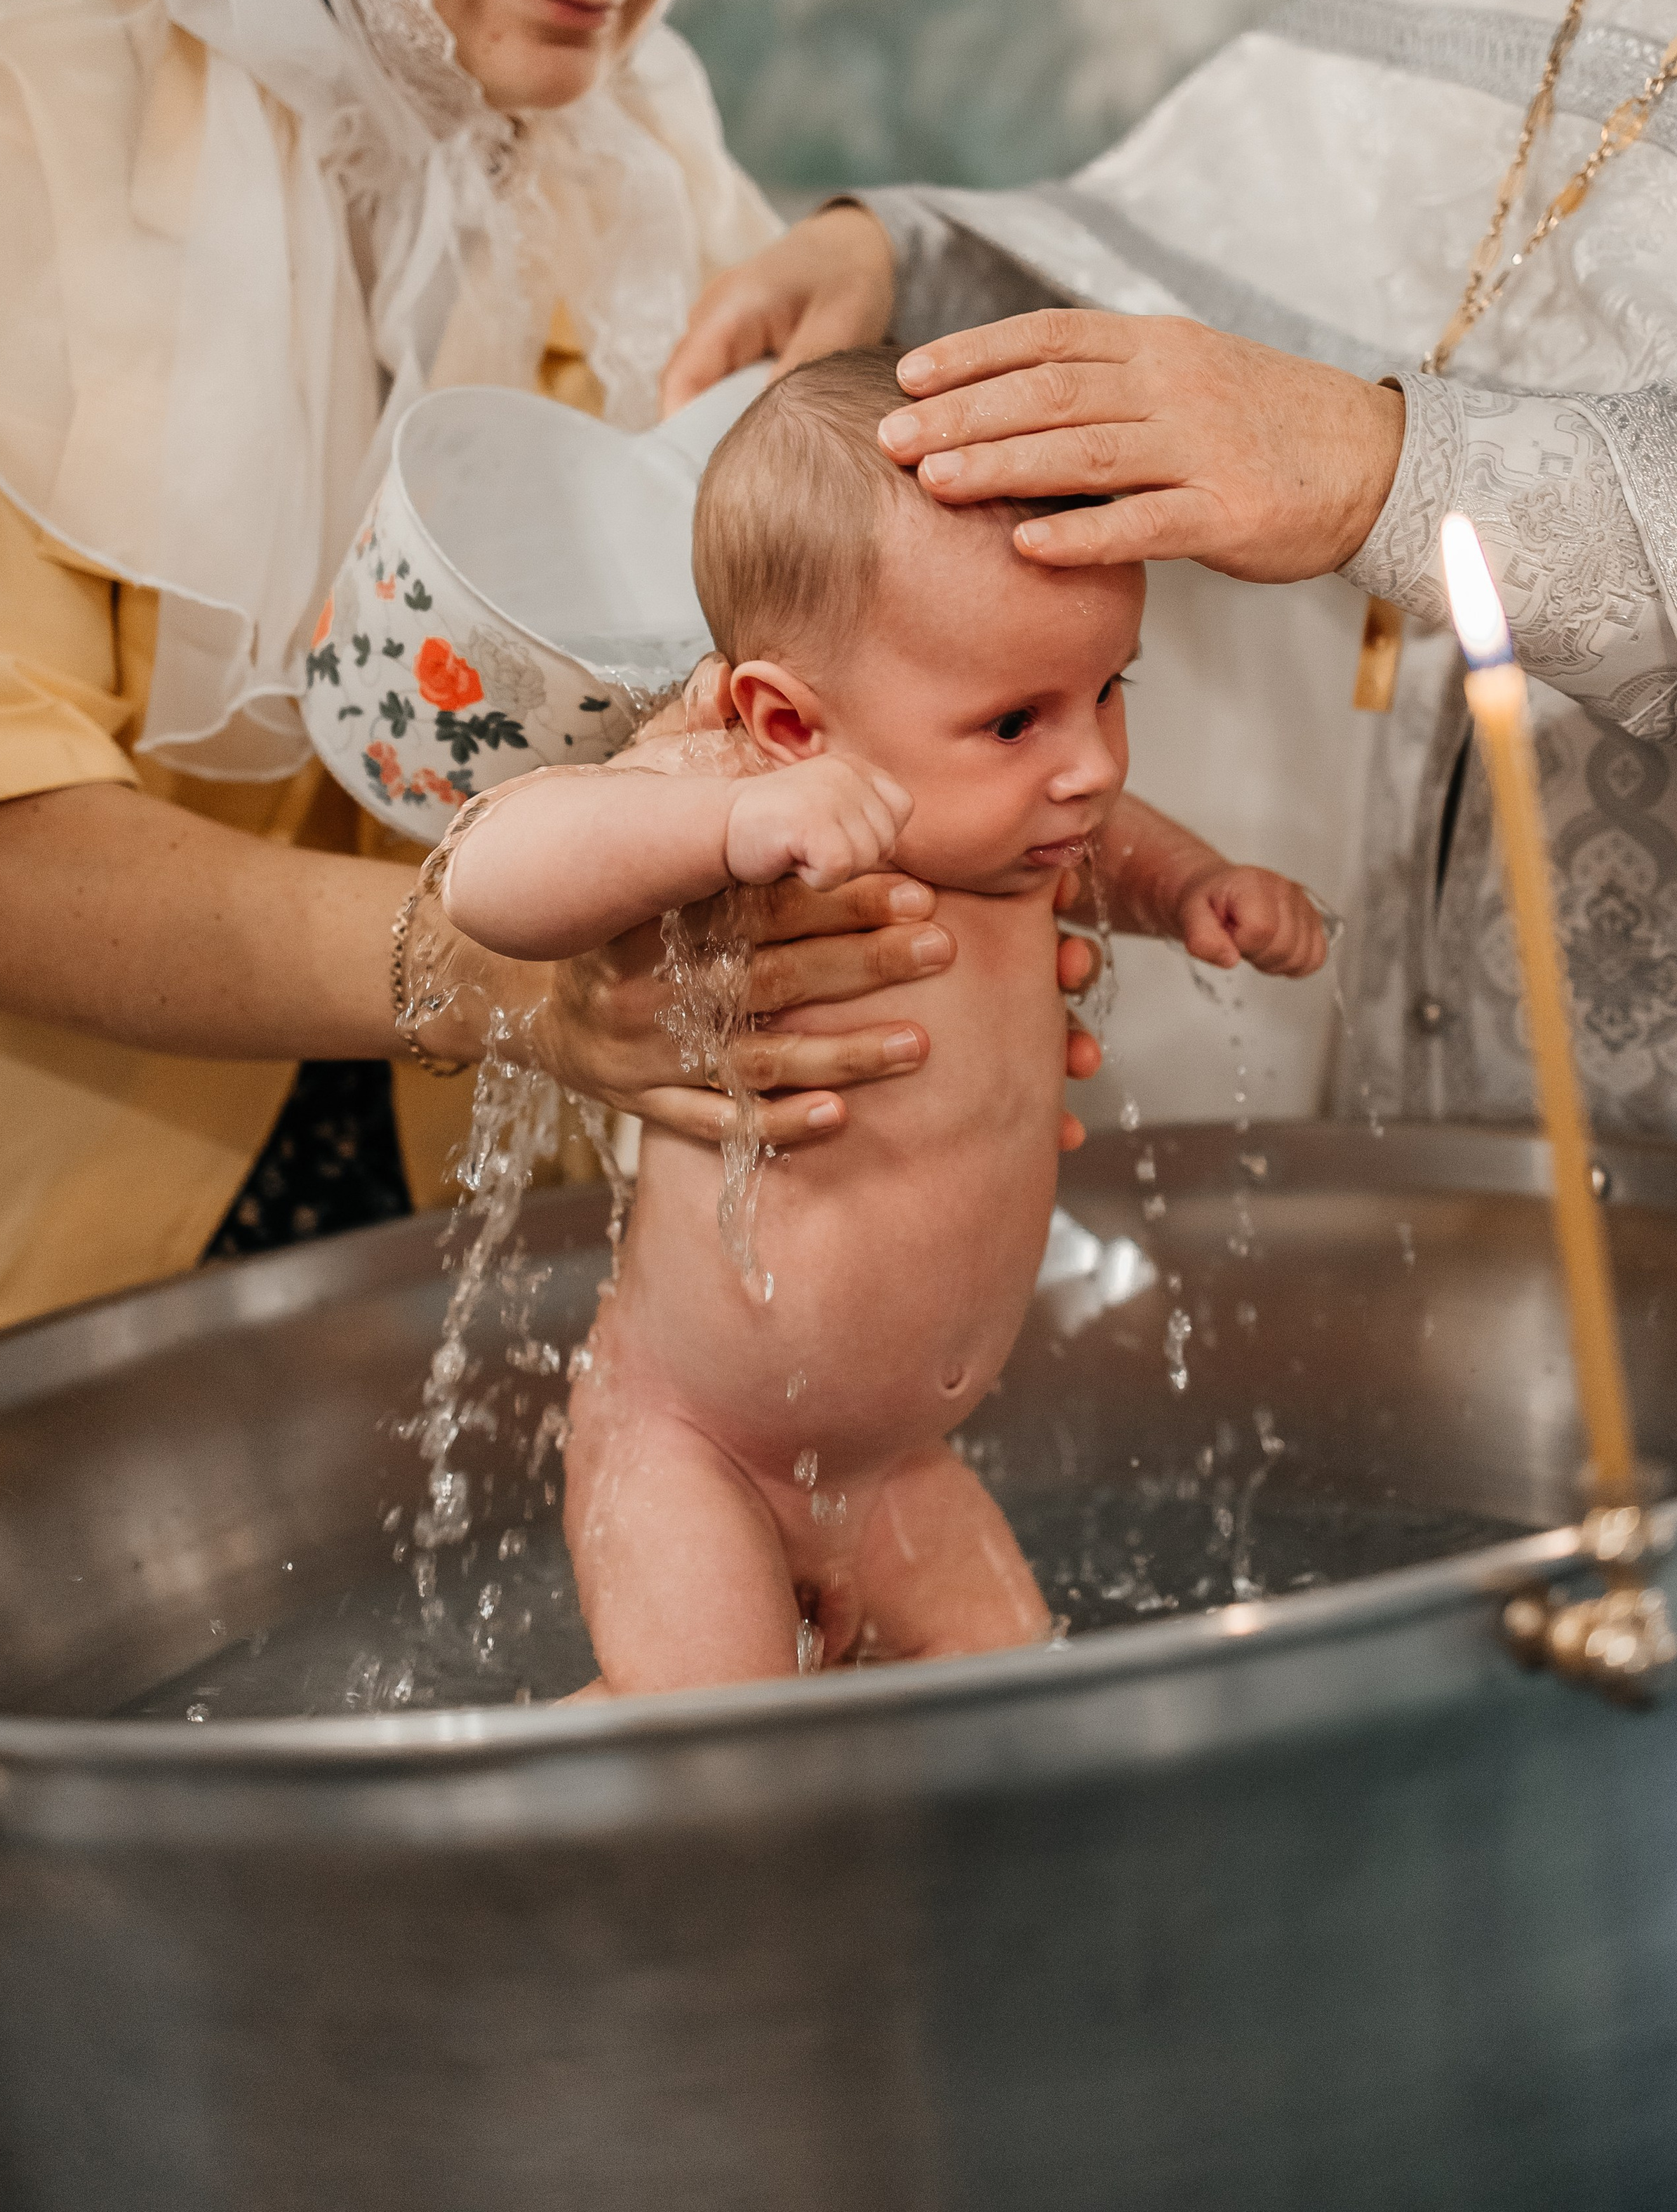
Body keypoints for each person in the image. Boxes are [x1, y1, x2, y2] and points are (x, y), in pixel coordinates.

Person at [0, 0, 991, 1335]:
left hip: (495, 1236)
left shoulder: (643, 158)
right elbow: (2, 835)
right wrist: (500, 976)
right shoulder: (22, 83)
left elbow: (819, 650)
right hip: (64, 1260)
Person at [669, 0, 1677, 1156]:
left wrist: (1384, 470)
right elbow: (1214, 234)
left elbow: (1368, 446)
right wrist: (897, 264)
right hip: (1473, 1140)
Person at [435, 348, 1324, 1690]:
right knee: (722, 1778)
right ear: (791, 720)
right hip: (694, 1448)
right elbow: (488, 877)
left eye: (1109, 690)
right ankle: (555, 1785)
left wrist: (1194, 883)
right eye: (1018, 720)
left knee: (1024, 1709)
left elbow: (1110, 834)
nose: (1089, 764)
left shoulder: (1027, 822)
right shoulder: (738, 787)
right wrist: (724, 824)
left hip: (892, 1465)